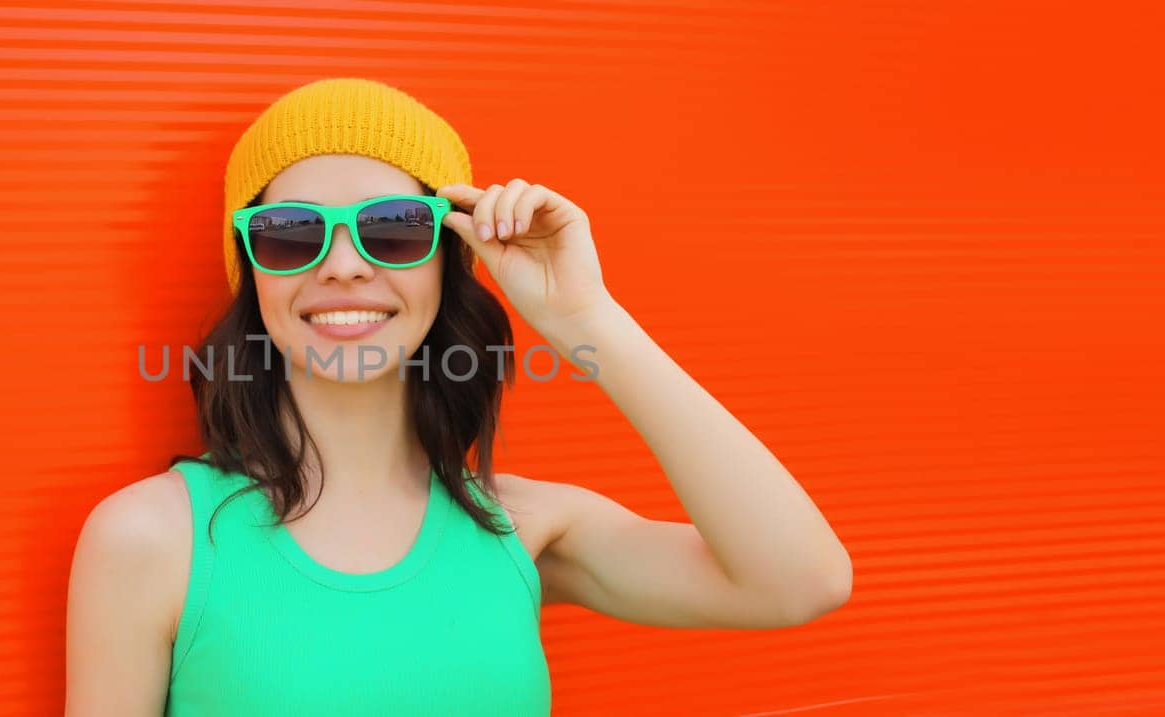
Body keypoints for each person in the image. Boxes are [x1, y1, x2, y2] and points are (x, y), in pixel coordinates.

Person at [67, 77, 852, 716]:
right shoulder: (154, 540)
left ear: (448, 260)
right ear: (252, 271)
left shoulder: (525, 527)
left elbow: (799, 582)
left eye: (396, 227)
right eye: (293, 232)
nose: (342, 264)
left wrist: (584, 318)